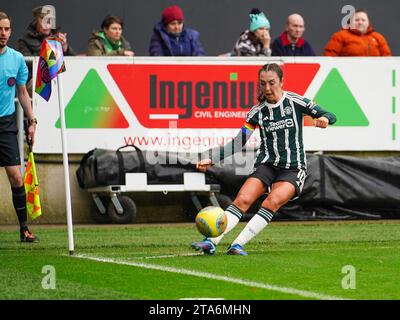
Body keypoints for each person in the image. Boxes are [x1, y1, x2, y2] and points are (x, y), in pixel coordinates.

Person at [191, 63, 336, 255]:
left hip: (293, 168)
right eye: (263, 84)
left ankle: (237, 245)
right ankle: (211, 242)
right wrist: (213, 158)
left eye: (272, 83)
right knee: (242, 199)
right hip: (266, 166)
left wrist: (324, 119)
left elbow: (330, 115)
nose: (267, 88)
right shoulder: (257, 112)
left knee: (271, 201)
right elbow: (238, 142)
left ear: (281, 82)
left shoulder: (295, 101)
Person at [0, 12, 38, 242]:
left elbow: (22, 93)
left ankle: (24, 230)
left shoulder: (16, 59)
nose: (2, 33)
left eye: (6, 29)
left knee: (16, 176)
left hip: (5, 123)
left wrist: (32, 121)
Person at [324, 9, 391, 56]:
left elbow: (387, 59)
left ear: (368, 23)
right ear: (350, 22)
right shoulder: (340, 36)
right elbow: (329, 57)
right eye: (356, 20)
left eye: (363, 20)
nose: (360, 22)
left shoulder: (378, 37)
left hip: (374, 73)